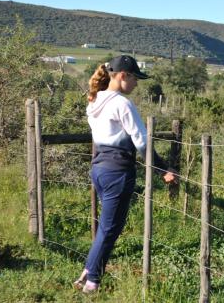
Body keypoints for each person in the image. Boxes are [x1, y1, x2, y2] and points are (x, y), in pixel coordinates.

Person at [73, 55, 176, 293]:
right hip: (118, 172)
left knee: (107, 227)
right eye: (135, 78)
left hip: (99, 170)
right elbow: (141, 141)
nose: (137, 84)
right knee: (110, 228)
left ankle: (89, 272)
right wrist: (162, 169)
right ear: (123, 76)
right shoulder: (122, 104)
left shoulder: (94, 101)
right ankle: (91, 282)